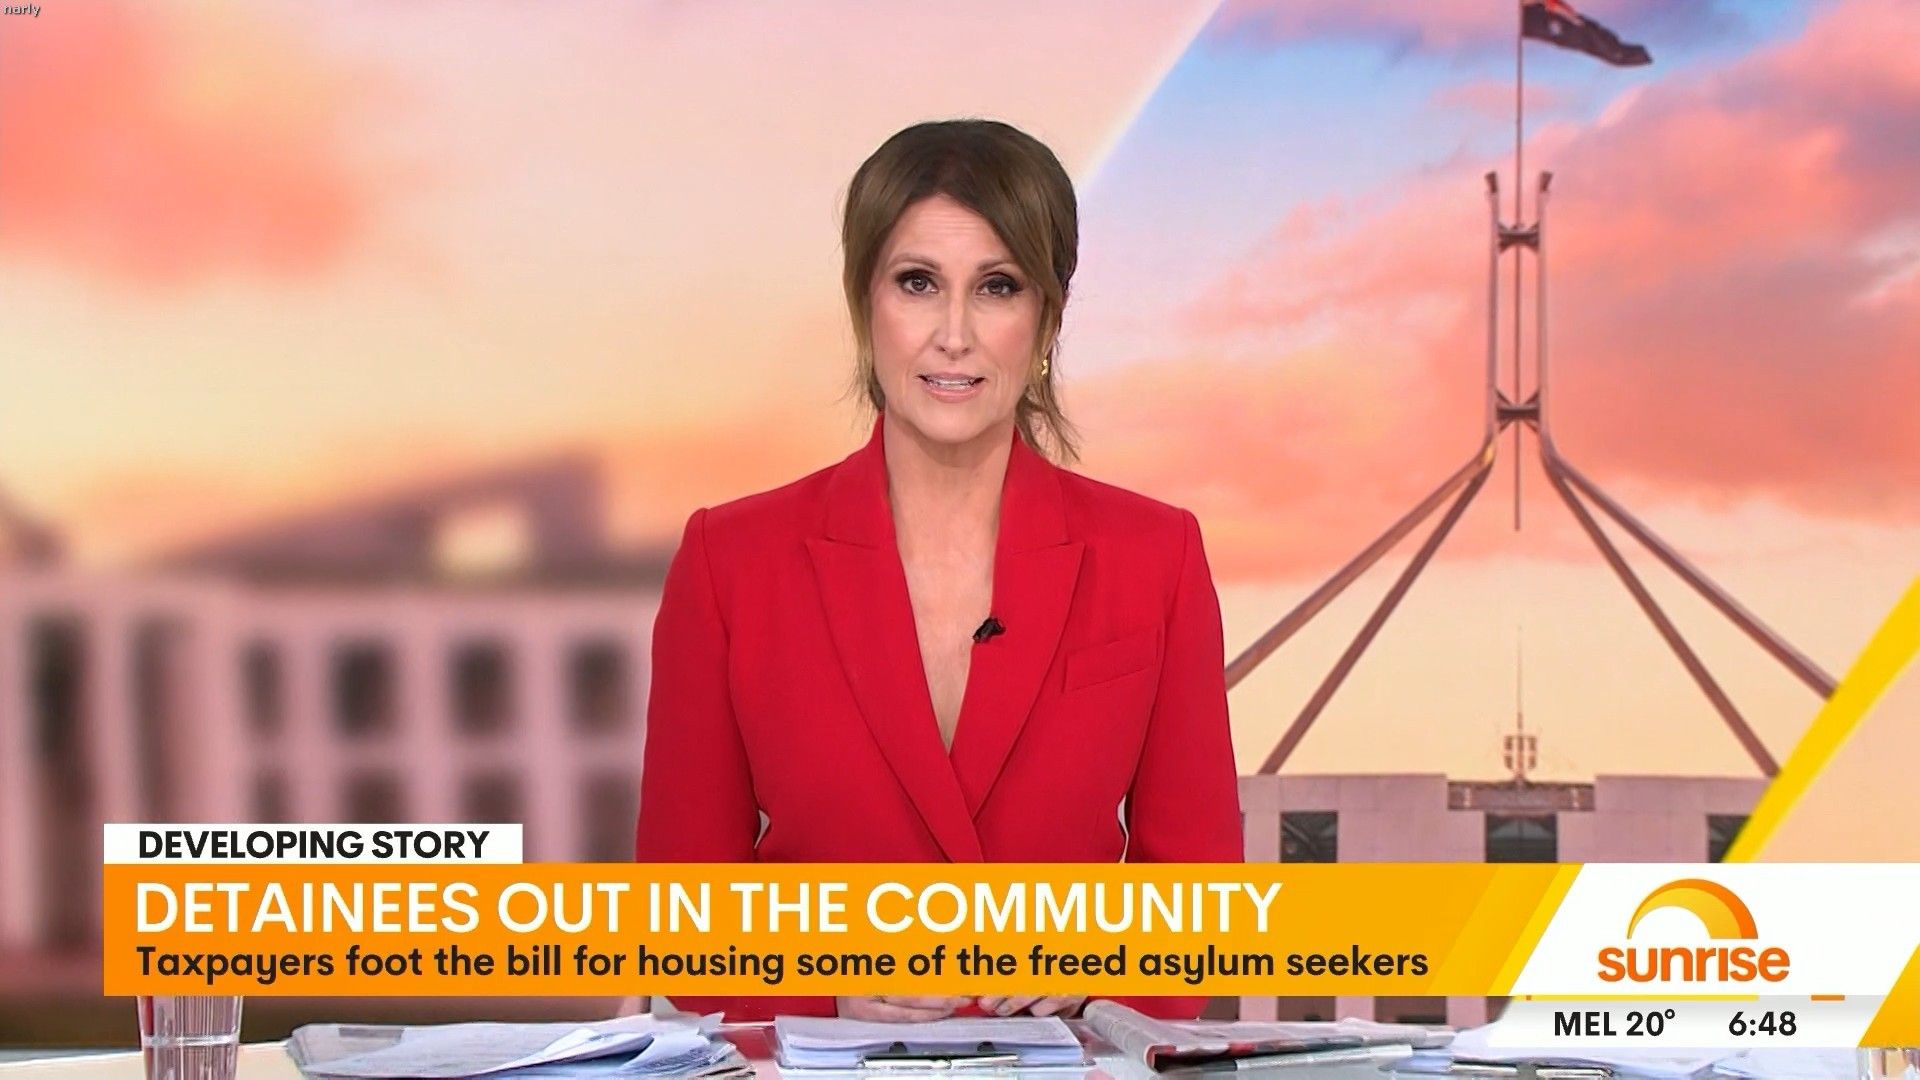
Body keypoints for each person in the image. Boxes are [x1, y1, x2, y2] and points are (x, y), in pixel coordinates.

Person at [633, 118, 1242, 1022]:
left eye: (998, 287)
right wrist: (827, 988)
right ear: (864, 305)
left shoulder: (1157, 556)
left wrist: (1101, 964)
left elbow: (1201, 902)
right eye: (917, 282)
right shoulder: (730, 560)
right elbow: (679, 913)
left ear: (1047, 320)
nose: (954, 335)